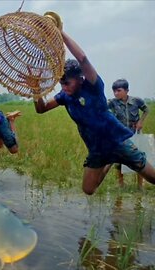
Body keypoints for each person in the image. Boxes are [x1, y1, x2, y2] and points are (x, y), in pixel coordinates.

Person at [22, 30, 155, 195]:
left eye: (67, 83)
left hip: (117, 141)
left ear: (80, 78)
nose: (64, 87)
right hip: (96, 149)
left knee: (153, 178)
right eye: (61, 84)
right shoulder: (64, 96)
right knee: (88, 189)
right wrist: (36, 90)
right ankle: (109, 161)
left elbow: (82, 59)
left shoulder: (93, 86)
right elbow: (41, 109)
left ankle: (116, 157)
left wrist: (59, 32)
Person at [108, 79, 150, 189]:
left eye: (119, 90)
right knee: (119, 160)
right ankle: (121, 184)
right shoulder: (113, 102)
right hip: (120, 134)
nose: (116, 93)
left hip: (134, 133)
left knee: (138, 158)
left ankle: (140, 185)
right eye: (114, 91)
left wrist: (141, 121)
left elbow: (146, 109)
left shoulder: (136, 101)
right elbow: (103, 109)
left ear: (126, 91)